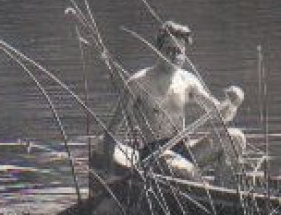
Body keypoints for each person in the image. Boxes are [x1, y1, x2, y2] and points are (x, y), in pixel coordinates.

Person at [94, 20, 247, 184]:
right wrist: (108, 173)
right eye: (169, 50)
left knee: (236, 137)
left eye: (179, 51)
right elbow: (111, 131)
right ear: (157, 50)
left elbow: (222, 116)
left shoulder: (188, 80)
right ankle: (204, 190)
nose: (175, 56)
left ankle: (221, 193)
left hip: (185, 150)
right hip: (155, 156)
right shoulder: (138, 83)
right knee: (187, 170)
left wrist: (234, 103)